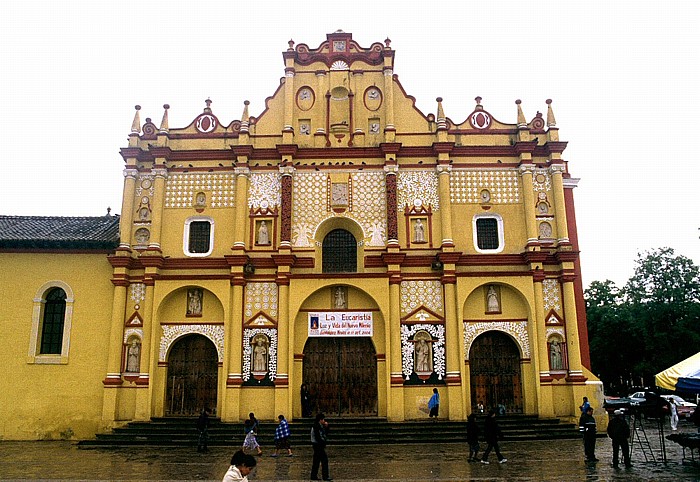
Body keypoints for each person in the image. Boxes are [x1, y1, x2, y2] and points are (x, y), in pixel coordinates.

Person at [310, 413, 331, 481]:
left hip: (318, 445)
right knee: (324, 461)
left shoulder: (320, 426)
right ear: (320, 420)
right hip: (317, 445)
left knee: (316, 461)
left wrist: (327, 427)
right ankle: (325, 476)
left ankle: (313, 475)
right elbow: (318, 437)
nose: (324, 421)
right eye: (323, 419)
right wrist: (322, 443)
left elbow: (325, 434)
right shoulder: (316, 426)